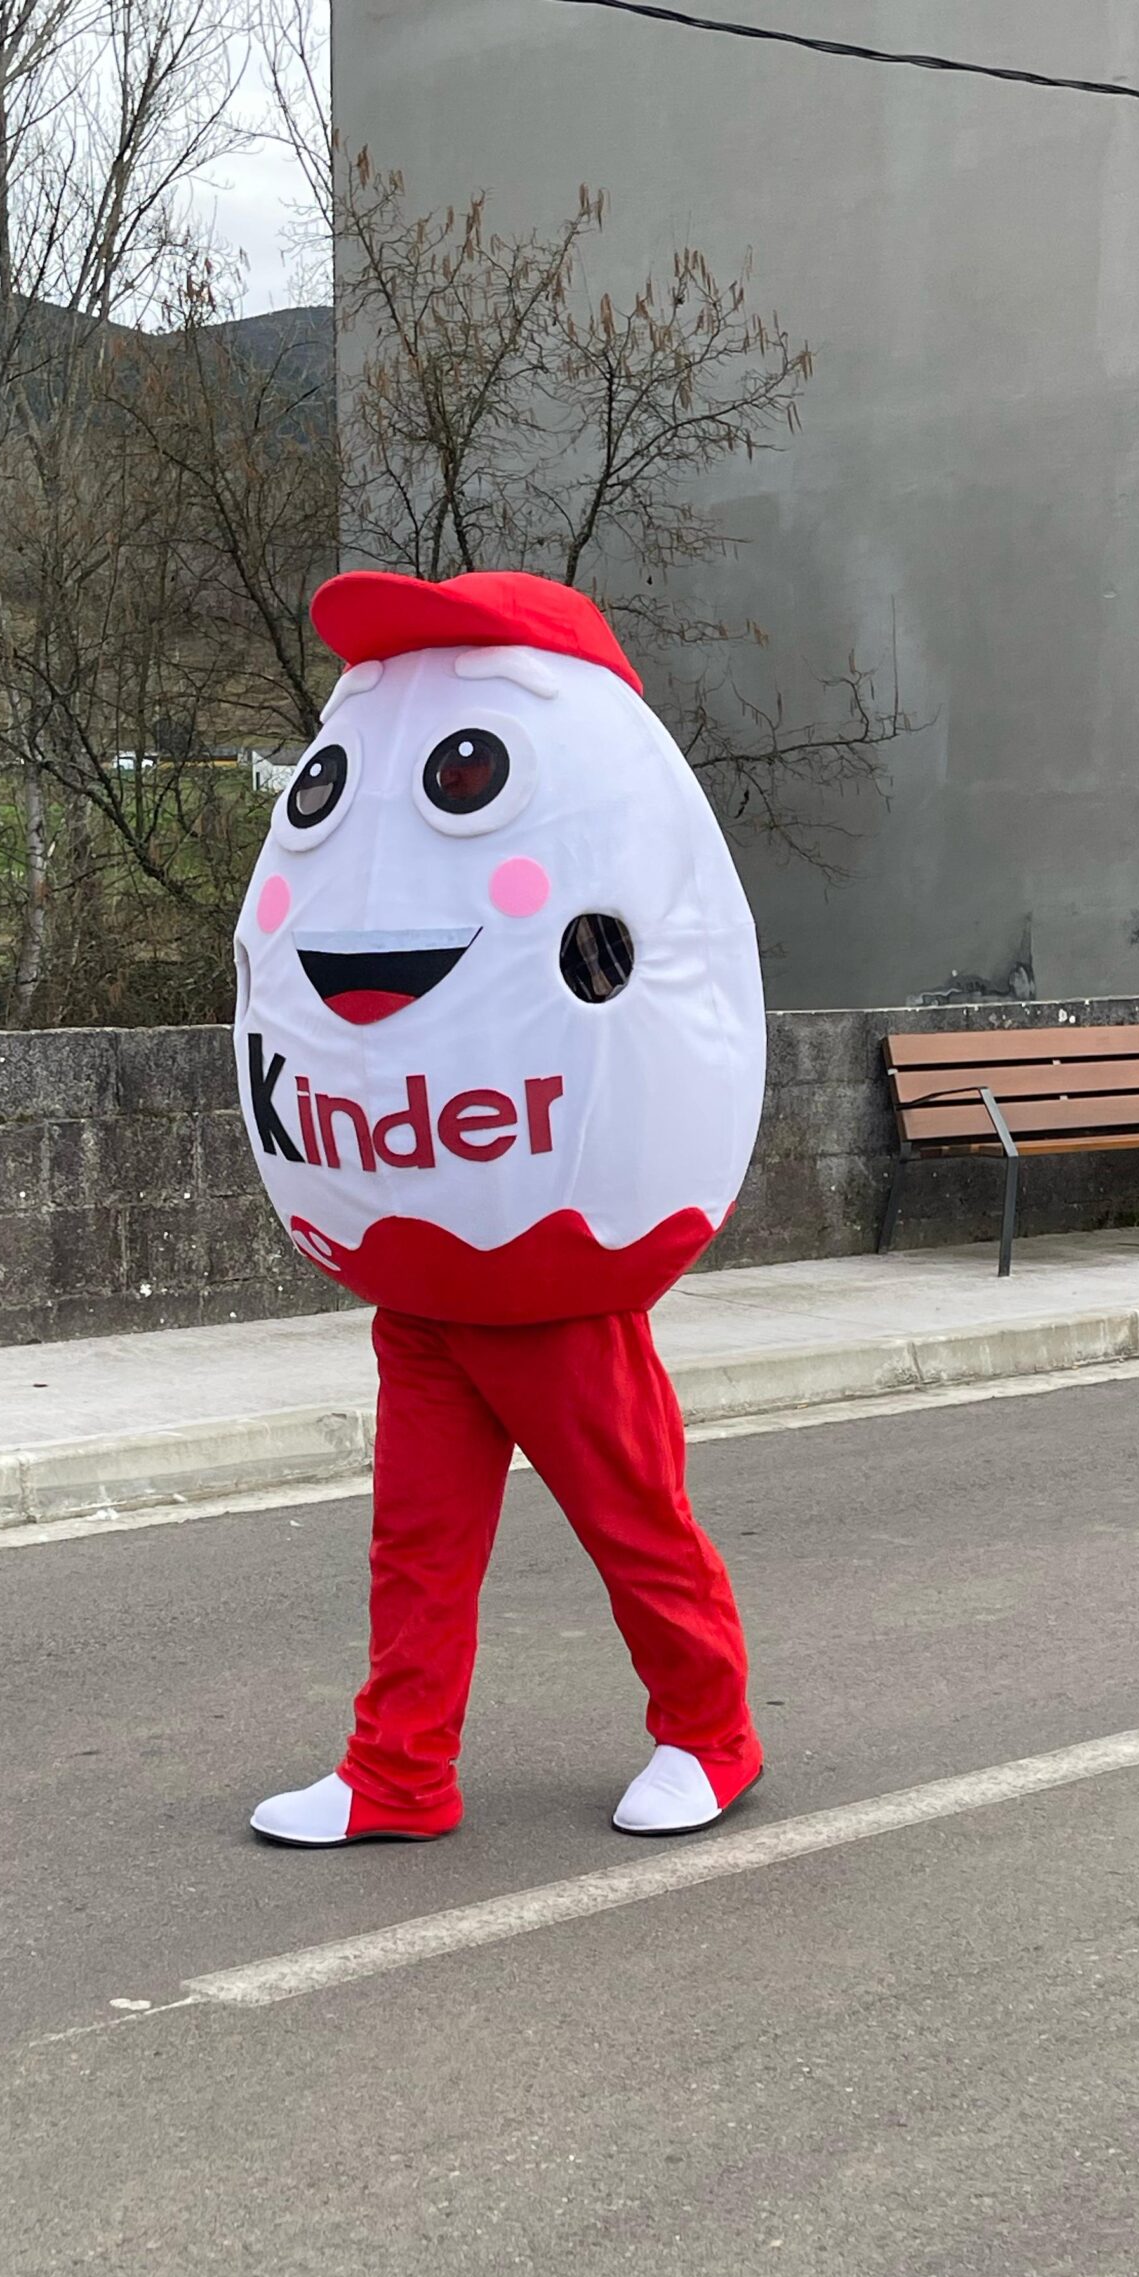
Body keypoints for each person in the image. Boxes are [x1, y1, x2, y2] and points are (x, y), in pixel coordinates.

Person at [232, 569, 769, 1844]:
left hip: (557, 1282)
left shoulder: (587, 768)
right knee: (414, 1545)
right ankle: (397, 1771)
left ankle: (713, 1733)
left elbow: (649, 982)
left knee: (634, 1522)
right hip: (422, 1287)